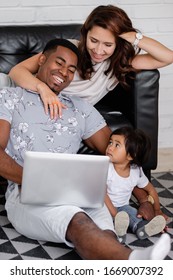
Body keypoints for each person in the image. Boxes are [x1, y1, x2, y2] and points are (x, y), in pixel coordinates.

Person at [0, 38, 171, 260]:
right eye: (59, 63)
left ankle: (126, 261)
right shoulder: (9, 98)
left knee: (105, 228)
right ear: (41, 60)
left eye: (71, 70)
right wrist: (39, 181)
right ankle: (134, 262)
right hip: (26, 195)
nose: (64, 72)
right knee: (78, 220)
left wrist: (143, 198)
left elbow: (120, 154)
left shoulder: (79, 107)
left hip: (76, 191)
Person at [105, 127, 169, 244]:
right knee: (102, 218)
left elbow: (150, 190)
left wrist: (157, 211)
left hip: (123, 207)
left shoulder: (136, 171)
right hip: (104, 206)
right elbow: (102, 194)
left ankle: (143, 229)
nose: (110, 147)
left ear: (130, 156)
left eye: (117, 145)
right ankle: (118, 232)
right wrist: (115, 214)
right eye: (110, 142)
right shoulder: (105, 167)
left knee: (134, 215)